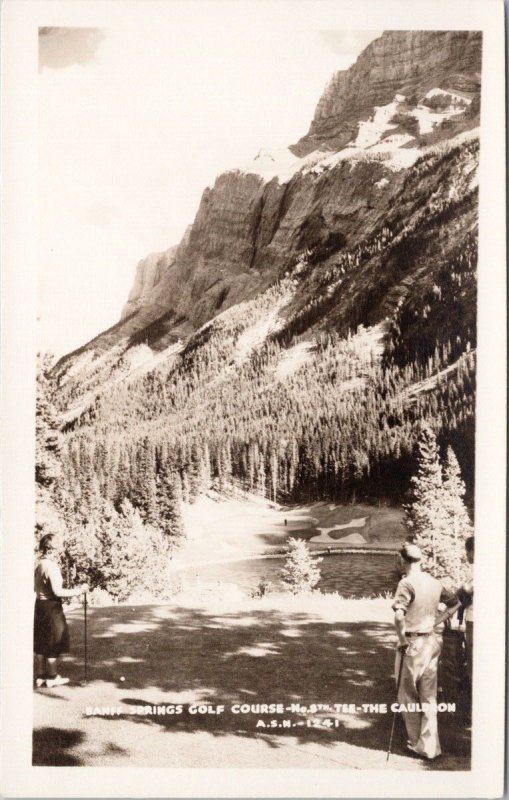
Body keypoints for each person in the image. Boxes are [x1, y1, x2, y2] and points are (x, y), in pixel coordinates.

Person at [392, 543, 456, 760]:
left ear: (403, 560)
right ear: (421, 561)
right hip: (432, 641)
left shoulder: (406, 582)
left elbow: (399, 615)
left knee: (407, 693)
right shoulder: (434, 582)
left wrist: (401, 640)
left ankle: (415, 743)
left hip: (413, 642)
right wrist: (440, 619)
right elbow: (454, 602)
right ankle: (430, 747)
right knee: (428, 696)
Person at [34, 533, 88, 688]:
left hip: (40, 606)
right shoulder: (51, 566)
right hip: (51, 607)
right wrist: (80, 590)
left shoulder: (38, 564)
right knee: (53, 640)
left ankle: (40, 677)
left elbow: (35, 588)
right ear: (53, 549)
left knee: (41, 641)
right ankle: (51, 677)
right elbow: (58, 591)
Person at [460, 536, 474, 686]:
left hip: (474, 620)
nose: (466, 555)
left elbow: (466, 593)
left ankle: (472, 686)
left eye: (467, 551)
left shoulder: (476, 571)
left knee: (472, 655)